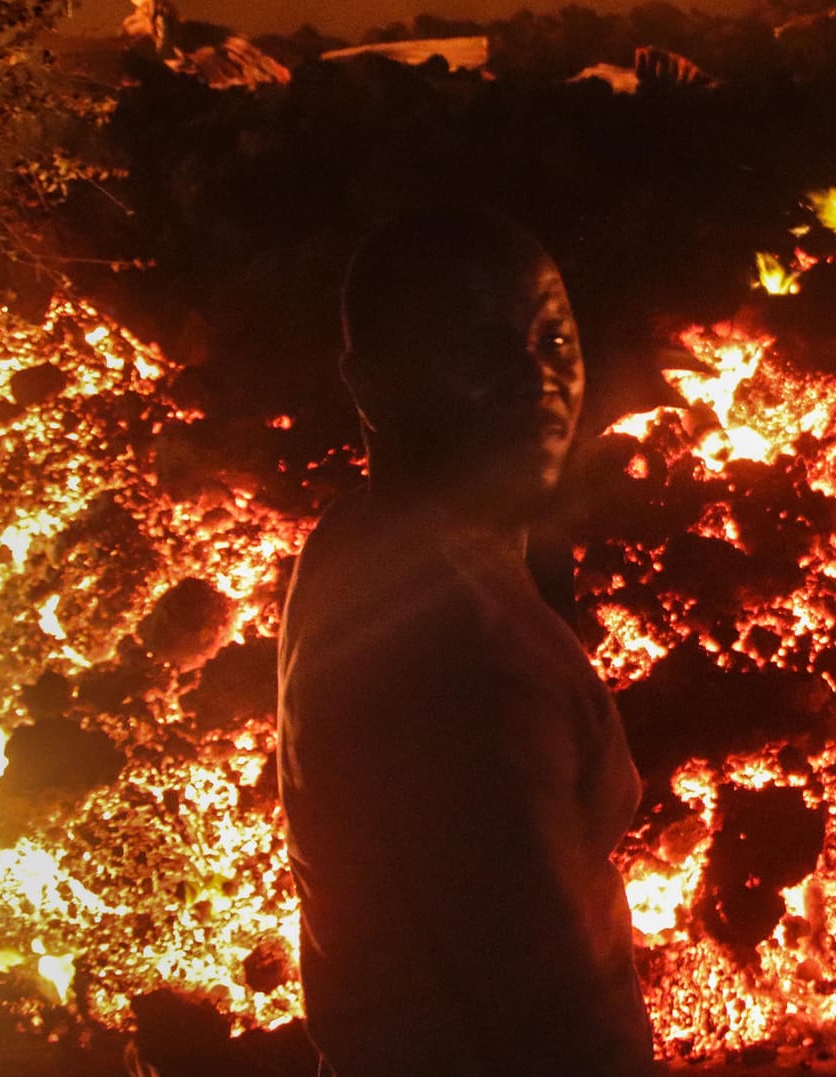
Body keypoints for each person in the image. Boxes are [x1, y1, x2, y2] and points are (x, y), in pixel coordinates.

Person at [276, 206, 655, 1076]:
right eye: (481, 351)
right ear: (373, 387)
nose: (536, 379)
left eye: (553, 340)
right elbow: (545, 1004)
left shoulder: (365, 542)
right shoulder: (457, 641)